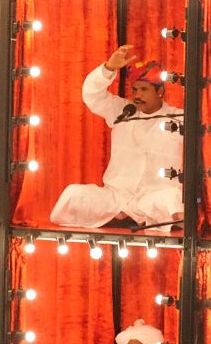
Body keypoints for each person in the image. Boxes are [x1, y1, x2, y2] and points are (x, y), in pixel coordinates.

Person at [50, 46, 183, 231]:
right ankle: (125, 216)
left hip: (153, 195)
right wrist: (109, 68)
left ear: (160, 91)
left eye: (144, 89)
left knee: (172, 199)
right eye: (135, 89)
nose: (137, 95)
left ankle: (135, 217)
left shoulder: (178, 119)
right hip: (116, 198)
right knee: (73, 194)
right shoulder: (123, 111)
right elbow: (92, 95)